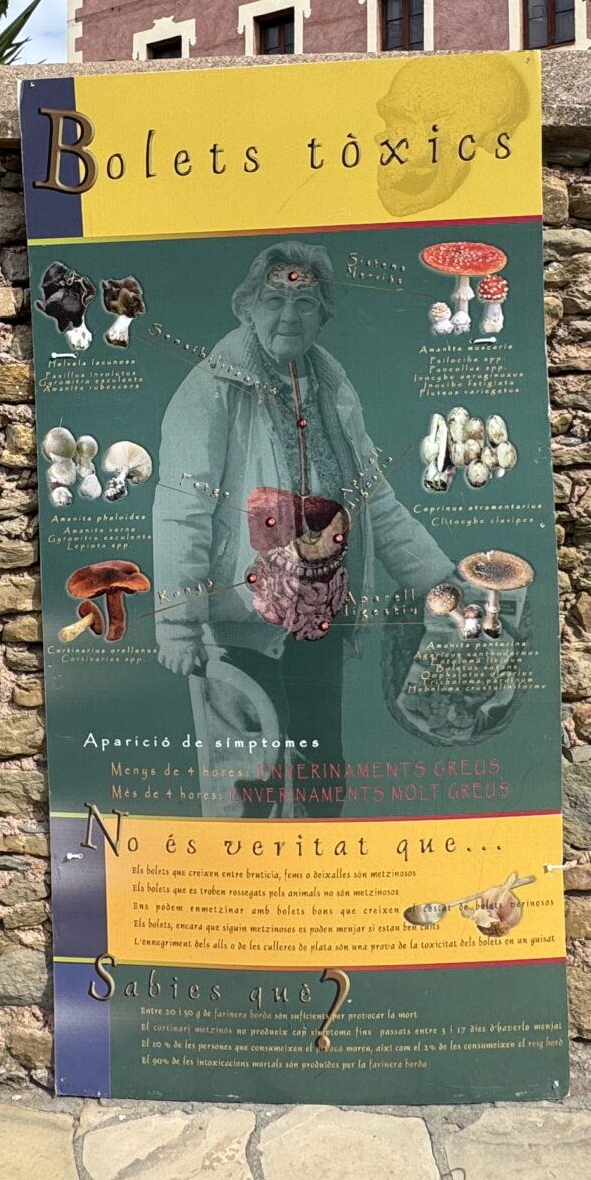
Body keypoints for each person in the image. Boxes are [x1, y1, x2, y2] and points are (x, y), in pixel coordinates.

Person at [153, 241, 455, 816]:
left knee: (321, 780)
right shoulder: (211, 387)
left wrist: (439, 577)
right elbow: (182, 507)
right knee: (249, 787)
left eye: (305, 303)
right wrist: (176, 624)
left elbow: (374, 500)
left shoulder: (332, 387)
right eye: (274, 301)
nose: (289, 316)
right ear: (248, 308)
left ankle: (318, 866)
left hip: (321, 620)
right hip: (241, 624)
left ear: (323, 314)